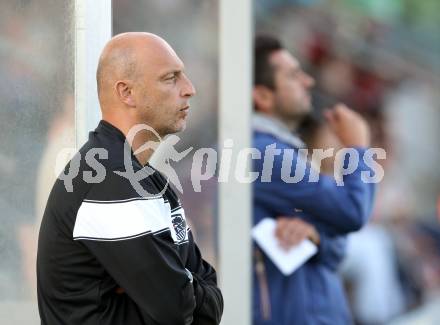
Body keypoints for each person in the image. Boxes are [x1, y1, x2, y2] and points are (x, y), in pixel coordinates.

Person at [37, 32, 223, 325]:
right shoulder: (106, 179)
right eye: (170, 78)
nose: (189, 89)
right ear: (127, 93)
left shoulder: (149, 179)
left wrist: (178, 282)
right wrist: (180, 279)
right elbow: (176, 308)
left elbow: (210, 299)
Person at [252, 35, 376, 324]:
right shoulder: (265, 154)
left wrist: (317, 237)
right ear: (263, 96)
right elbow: (352, 210)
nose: (308, 81)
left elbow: (338, 243)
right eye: (293, 76)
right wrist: (358, 147)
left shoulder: (276, 150)